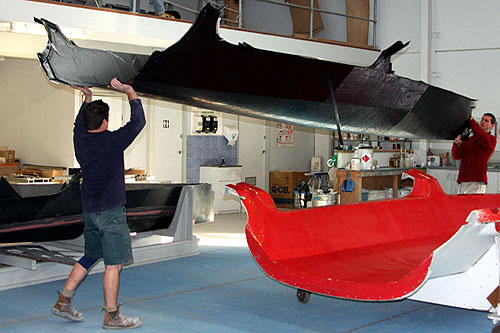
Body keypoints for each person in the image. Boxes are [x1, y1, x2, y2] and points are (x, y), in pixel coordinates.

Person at [51, 78, 146, 330]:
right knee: (113, 264)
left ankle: (64, 300)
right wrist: (129, 91)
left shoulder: (80, 140)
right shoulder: (111, 141)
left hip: (90, 210)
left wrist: (87, 98)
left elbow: (77, 126)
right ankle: (112, 315)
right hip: (111, 211)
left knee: (91, 254)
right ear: (105, 123)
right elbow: (138, 122)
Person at [452, 113, 497, 194]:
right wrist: (456, 145)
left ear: (492, 125)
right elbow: (456, 156)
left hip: (477, 181)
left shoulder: (491, 140)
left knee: (475, 206)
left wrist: (472, 122)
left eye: (486, 121)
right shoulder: (471, 139)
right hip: (463, 180)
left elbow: (481, 136)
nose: (482, 122)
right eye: (482, 119)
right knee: (462, 206)